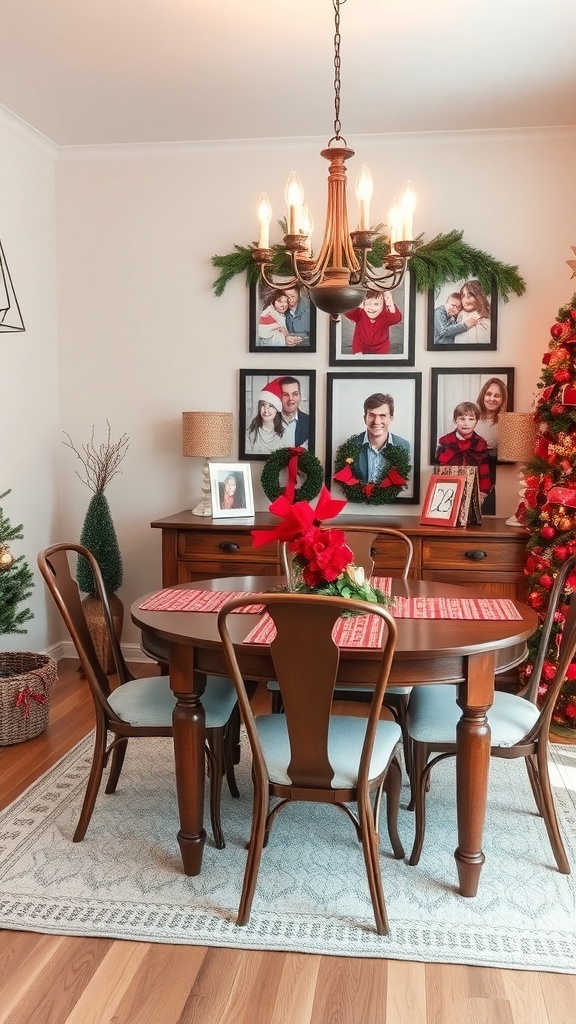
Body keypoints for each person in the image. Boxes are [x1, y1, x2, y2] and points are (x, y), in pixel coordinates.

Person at [436, 401, 492, 503]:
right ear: (455, 420)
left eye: (471, 419)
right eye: (462, 419)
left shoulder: (481, 443)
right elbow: (441, 467)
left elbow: (484, 469)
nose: (466, 423)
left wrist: (483, 492)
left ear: (476, 421)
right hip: (449, 490)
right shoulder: (445, 441)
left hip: (474, 490)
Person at [351, 393, 410, 484]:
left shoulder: (404, 446)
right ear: (365, 418)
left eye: (383, 415)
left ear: (391, 418)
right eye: (371, 415)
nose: (377, 421)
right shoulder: (351, 445)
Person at [474, 377, 508, 515]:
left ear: (502, 399)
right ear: (483, 395)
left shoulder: (505, 421)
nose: (491, 399)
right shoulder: (472, 417)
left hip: (490, 478)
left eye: (497, 395)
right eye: (488, 394)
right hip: (468, 474)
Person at [345, 290, 402, 355]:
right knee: (358, 361)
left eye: (376, 304)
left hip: (381, 346)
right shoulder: (360, 312)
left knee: (383, 363)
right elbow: (347, 312)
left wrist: (390, 304)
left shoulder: (385, 314)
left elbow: (396, 319)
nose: (371, 308)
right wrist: (356, 304)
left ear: (384, 306)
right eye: (367, 304)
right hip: (360, 344)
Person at [246, 379, 286, 455]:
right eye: (262, 405)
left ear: (277, 409)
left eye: (270, 406)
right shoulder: (250, 432)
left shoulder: (285, 433)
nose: (266, 410)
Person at [456, 280, 491, 345]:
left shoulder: (485, 319)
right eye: (463, 296)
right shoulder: (460, 315)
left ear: (479, 296)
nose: (465, 301)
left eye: (469, 296)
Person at [278, 375, 310, 447]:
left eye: (295, 394)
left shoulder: (309, 421)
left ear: (300, 396)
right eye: (285, 394)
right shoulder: (269, 421)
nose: (291, 399)